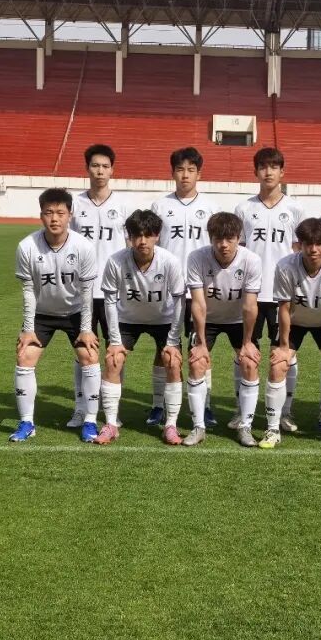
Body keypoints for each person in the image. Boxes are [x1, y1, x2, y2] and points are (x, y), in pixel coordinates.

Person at [10, 188, 100, 443]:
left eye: (60, 213)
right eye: (49, 212)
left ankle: (90, 421)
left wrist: (86, 329)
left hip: (75, 312)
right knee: (24, 356)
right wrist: (28, 329)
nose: (54, 218)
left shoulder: (83, 247)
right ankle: (27, 422)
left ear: (70, 215)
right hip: (42, 314)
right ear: (41, 215)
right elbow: (28, 291)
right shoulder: (27, 246)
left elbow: (87, 292)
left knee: (89, 355)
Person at [95, 209, 187, 445]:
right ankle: (111, 423)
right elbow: (109, 302)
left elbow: (179, 301)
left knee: (172, 360)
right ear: (129, 237)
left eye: (148, 235)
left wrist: (173, 340)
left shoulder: (170, 261)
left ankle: (170, 424)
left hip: (163, 319)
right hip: (128, 319)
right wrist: (115, 341)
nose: (142, 241)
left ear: (157, 236)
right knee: (113, 359)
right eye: (136, 235)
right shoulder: (116, 261)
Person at [264, 218, 321, 451]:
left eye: (319, 244)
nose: (313, 249)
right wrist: (283, 347)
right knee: (278, 366)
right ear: (300, 244)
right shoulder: (285, 266)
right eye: (308, 244)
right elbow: (284, 308)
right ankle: (273, 429)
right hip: (294, 322)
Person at [234, 147, 304, 432]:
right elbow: (238, 251)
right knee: (244, 352)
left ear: (282, 172)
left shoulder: (295, 209)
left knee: (284, 353)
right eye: (263, 167)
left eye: (273, 167)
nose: (268, 172)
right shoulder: (243, 209)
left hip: (282, 295)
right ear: (255, 172)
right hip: (250, 294)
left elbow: (299, 252)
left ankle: (284, 411)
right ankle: (241, 410)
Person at [151, 147, 220, 429]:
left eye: (191, 170)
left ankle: (205, 405)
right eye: (180, 169)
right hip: (167, 291)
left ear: (199, 174)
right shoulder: (159, 207)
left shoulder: (211, 208)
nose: (185, 175)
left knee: (200, 347)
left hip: (199, 291)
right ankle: (159, 405)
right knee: (164, 348)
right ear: (172, 173)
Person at [185, 212, 262, 447]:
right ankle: (198, 427)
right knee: (197, 362)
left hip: (238, 319)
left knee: (249, 362)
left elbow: (250, 305)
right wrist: (200, 343)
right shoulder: (196, 258)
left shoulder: (251, 260)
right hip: (207, 319)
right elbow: (198, 303)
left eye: (230, 239)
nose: (224, 245)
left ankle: (245, 426)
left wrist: (247, 342)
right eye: (218, 239)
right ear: (211, 238)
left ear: (239, 238)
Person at [69, 144, 130, 429]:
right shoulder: (75, 205)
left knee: (115, 350)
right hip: (82, 291)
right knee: (83, 351)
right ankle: (81, 408)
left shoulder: (123, 206)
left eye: (105, 166)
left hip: (114, 293)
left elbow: (130, 248)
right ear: (87, 168)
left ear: (112, 170)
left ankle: (111, 410)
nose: (100, 171)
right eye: (95, 166)